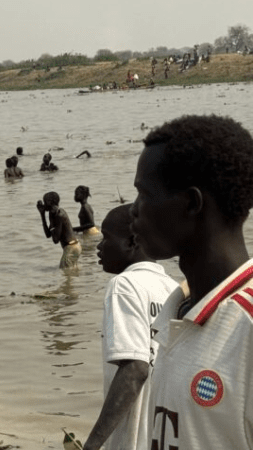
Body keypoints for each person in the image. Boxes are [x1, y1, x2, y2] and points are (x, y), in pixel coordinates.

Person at [130, 115, 253, 449]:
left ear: (191, 204)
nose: (133, 211)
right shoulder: (178, 311)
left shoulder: (245, 327)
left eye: (144, 194)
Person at [83, 205, 178, 450]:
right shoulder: (173, 289)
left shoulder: (123, 285)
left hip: (134, 438)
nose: (99, 246)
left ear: (132, 242)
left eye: (106, 237)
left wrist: (92, 444)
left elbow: (135, 368)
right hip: (165, 433)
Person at [37, 191, 80, 269]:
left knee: (65, 273)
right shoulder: (55, 213)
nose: (44, 205)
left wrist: (51, 221)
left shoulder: (59, 215)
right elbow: (48, 235)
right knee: (71, 274)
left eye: (45, 202)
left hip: (70, 248)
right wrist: (42, 215)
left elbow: (55, 240)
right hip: (74, 247)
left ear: (50, 203)